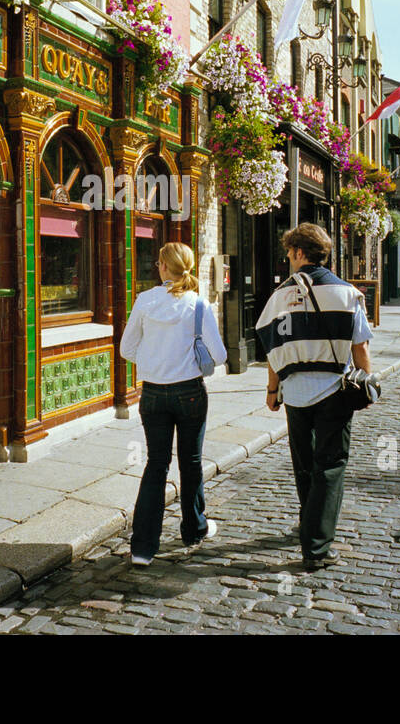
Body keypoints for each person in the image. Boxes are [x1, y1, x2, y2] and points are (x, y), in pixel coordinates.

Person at [256, 223, 372, 572]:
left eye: (290, 252)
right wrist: (367, 381)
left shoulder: (279, 296)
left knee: (304, 463)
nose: (288, 258)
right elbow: (360, 347)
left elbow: (273, 350)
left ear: (299, 253)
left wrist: (272, 390)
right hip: (335, 389)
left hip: (294, 392)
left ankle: (309, 525)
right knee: (330, 465)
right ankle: (317, 546)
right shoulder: (347, 294)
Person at [120, 242, 227, 566]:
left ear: (164, 268)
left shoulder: (145, 301)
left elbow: (127, 348)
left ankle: (142, 548)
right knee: (191, 462)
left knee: (156, 465)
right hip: (190, 393)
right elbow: (220, 355)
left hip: (153, 393)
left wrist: (153, 362)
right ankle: (194, 528)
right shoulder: (198, 305)